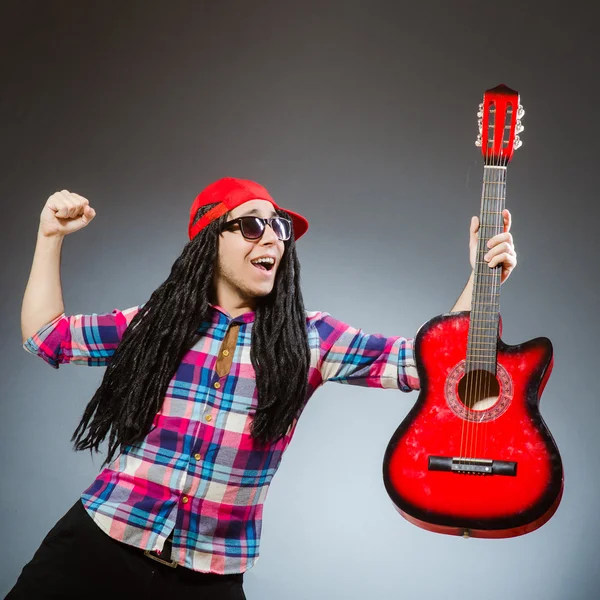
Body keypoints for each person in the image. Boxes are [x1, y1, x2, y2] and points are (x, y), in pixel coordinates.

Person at [8, 177, 517, 599]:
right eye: (253, 225)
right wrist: (49, 235)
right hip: (97, 546)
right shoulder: (154, 326)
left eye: (279, 229)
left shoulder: (311, 339)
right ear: (211, 240)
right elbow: (45, 336)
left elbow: (433, 363)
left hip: (208, 578)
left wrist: (482, 278)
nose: (272, 238)